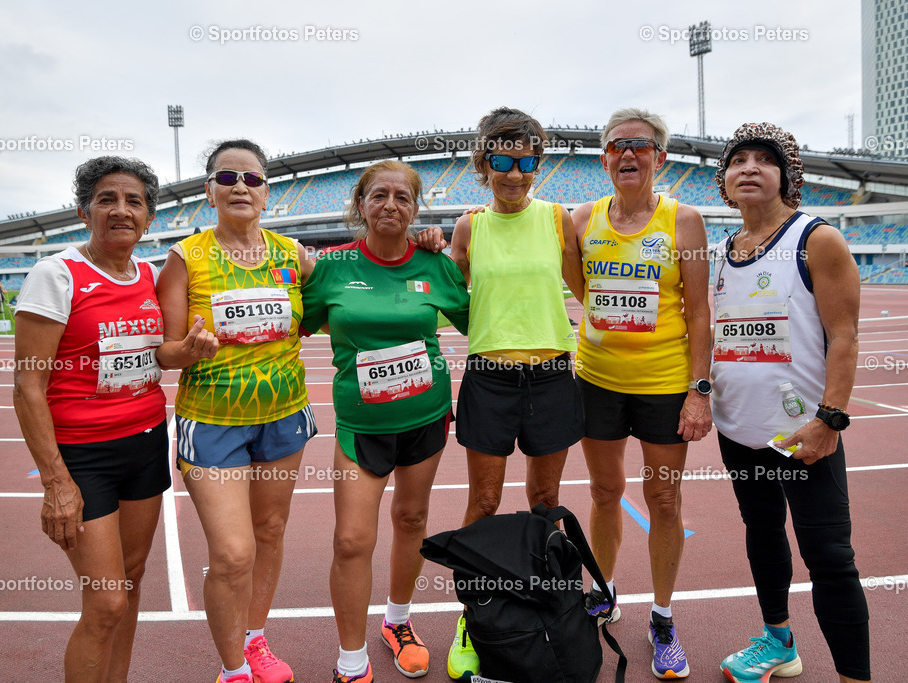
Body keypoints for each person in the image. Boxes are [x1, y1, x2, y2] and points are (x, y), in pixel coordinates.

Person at [417, 106, 585, 681]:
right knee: (484, 504)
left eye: (527, 162)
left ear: (537, 164)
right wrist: (429, 248)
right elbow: (449, 292)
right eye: (503, 161)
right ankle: (473, 618)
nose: (515, 174)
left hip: (552, 376)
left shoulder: (558, 219)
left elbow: (586, 289)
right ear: (483, 164)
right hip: (489, 377)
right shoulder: (470, 227)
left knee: (546, 502)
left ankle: (555, 610)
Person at [711, 122, 869, 683]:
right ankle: (778, 643)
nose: (749, 168)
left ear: (786, 176)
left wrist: (830, 420)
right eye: (738, 160)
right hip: (738, 430)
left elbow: (844, 336)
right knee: (762, 534)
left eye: (764, 159)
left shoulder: (815, 239)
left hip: (802, 434)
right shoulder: (721, 252)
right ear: (724, 180)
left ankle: (855, 676)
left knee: (829, 557)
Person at [300, 160, 470, 683]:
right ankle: (351, 660)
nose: (390, 204)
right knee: (352, 540)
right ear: (361, 204)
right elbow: (292, 329)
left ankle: (398, 622)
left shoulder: (435, 265)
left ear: (415, 209)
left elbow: (481, 324)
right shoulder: (332, 266)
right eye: (379, 195)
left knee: (412, 520)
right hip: (361, 426)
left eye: (402, 196)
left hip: (426, 418)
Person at [156, 139, 316, 683]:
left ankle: (254, 640)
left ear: (268, 193)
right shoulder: (185, 257)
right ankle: (233, 671)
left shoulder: (293, 255)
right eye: (227, 178)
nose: (240, 187)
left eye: (252, 178)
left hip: (284, 414)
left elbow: (328, 311)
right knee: (231, 552)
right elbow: (165, 352)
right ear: (210, 192)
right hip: (213, 421)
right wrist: (188, 350)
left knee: (269, 531)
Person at [13, 156, 178, 681]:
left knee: (131, 579)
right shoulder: (56, 275)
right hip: (83, 456)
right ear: (84, 212)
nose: (121, 210)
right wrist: (56, 482)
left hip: (146, 442)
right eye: (107, 199)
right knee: (106, 601)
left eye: (134, 201)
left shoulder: (151, 276)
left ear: (149, 217)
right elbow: (28, 386)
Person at [573, 108, 712, 679]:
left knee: (663, 500)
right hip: (598, 381)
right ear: (604, 158)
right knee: (605, 491)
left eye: (640, 145)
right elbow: (581, 290)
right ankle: (603, 592)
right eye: (616, 146)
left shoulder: (685, 221)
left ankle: (662, 617)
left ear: (660, 157)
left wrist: (699, 390)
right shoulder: (581, 219)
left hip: (663, 384)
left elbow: (699, 312)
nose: (627, 154)